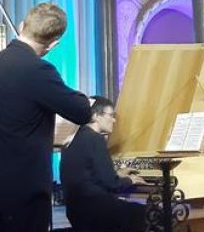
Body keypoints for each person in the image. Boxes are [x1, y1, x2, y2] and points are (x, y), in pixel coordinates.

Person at [0, 2, 93, 232]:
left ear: (22, 25)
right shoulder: (38, 70)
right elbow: (82, 111)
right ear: (54, 43)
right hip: (25, 189)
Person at [59, 96, 148, 232]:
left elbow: (90, 175)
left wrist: (117, 174)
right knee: (150, 214)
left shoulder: (72, 138)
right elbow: (112, 184)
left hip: (76, 211)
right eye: (111, 115)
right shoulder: (95, 138)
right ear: (96, 116)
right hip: (97, 212)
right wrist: (130, 180)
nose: (114, 120)